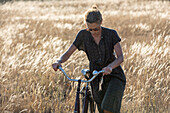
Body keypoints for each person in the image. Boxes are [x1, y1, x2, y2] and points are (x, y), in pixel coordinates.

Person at [52, 5, 126, 113]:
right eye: (90, 29)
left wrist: (110, 67)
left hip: (114, 75)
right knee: (101, 109)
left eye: (96, 29)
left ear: (101, 22)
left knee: (107, 108)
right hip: (95, 77)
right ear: (86, 25)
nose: (93, 32)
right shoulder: (83, 35)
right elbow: (68, 53)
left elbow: (120, 57)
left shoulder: (111, 34)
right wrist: (58, 61)